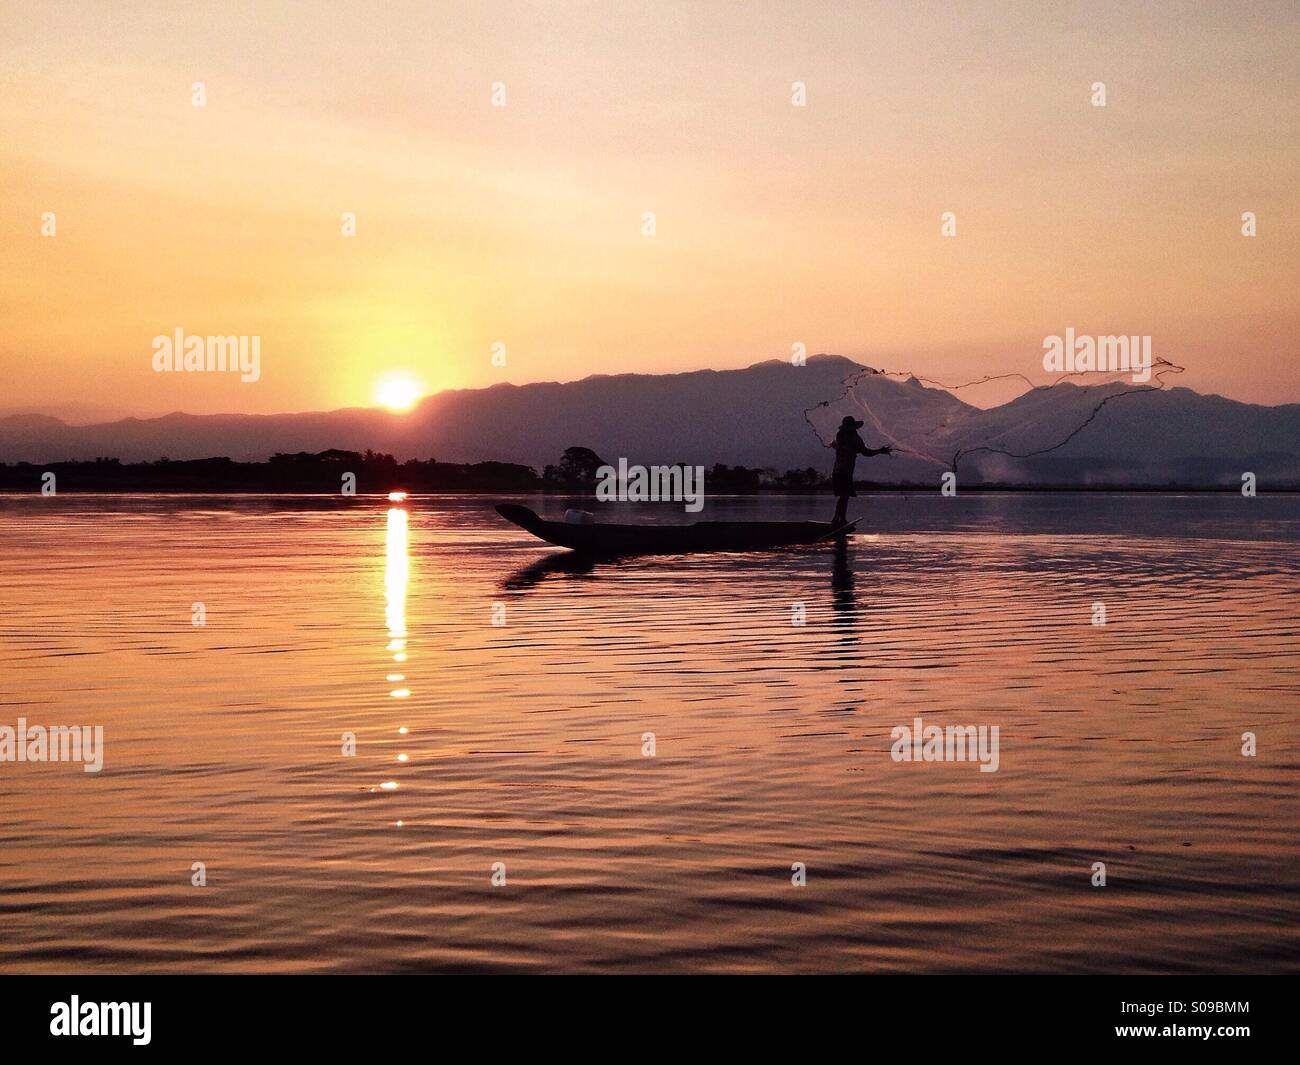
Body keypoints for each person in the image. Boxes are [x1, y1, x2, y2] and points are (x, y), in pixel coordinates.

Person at [830, 416, 892, 527]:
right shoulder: (853, 437)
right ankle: (838, 520)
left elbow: (843, 447)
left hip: (838, 470)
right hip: (845, 471)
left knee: (844, 496)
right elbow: (865, 452)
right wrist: (880, 451)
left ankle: (838, 519)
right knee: (845, 495)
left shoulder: (840, 435)